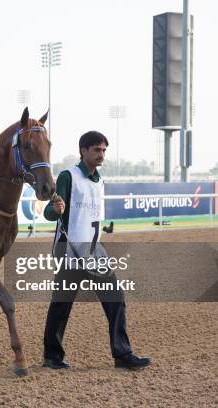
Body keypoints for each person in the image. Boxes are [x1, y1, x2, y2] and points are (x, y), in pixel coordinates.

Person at [42, 131, 151, 370]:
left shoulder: (100, 181)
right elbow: (49, 213)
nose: (101, 155)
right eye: (97, 150)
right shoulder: (68, 176)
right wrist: (56, 209)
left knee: (115, 298)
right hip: (69, 251)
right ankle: (52, 356)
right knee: (62, 304)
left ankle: (122, 355)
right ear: (83, 151)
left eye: (104, 150)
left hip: (94, 251)